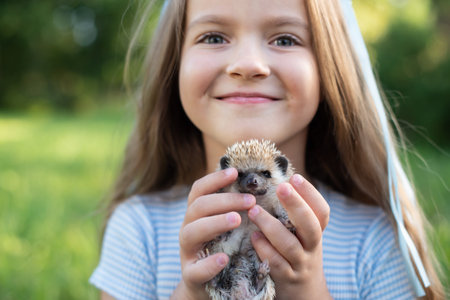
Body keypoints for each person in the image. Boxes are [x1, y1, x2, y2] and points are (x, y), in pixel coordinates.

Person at [90, 0, 444, 299]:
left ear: (329, 65)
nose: (248, 65)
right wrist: (192, 290)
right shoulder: (138, 228)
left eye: (285, 39)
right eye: (213, 36)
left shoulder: (375, 238)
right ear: (174, 63)